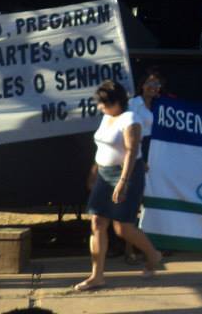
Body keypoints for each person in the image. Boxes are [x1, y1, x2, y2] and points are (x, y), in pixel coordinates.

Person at [76, 80, 163, 292]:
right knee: (97, 222)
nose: (100, 107)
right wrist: (94, 171)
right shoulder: (107, 117)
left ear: (117, 102)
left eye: (104, 103)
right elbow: (101, 147)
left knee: (123, 228)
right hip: (104, 174)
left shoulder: (131, 119)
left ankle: (153, 254)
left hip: (127, 174)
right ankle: (97, 276)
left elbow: (131, 152)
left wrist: (123, 182)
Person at [124, 69, 163, 264]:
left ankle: (149, 245)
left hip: (155, 150)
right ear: (142, 85)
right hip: (139, 150)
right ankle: (129, 250)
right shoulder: (133, 104)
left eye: (156, 84)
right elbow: (128, 132)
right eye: (149, 83)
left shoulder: (160, 105)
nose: (153, 87)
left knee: (152, 200)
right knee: (134, 201)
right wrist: (139, 158)